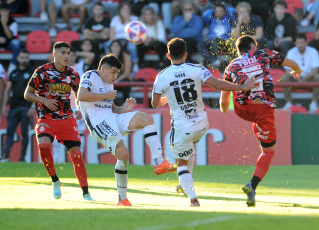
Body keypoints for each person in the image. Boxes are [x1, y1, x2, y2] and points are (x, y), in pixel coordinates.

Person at [151, 37, 257, 207]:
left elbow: (155, 104)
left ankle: (192, 197)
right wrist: (243, 87)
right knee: (189, 150)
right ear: (186, 54)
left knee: (181, 162)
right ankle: (185, 184)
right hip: (201, 123)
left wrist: (168, 98)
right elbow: (218, 84)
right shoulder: (197, 69)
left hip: (182, 126)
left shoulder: (162, 76)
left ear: (168, 56)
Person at [77, 54, 177, 206]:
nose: (116, 76)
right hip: (98, 124)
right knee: (124, 154)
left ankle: (159, 162)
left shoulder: (108, 84)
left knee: (146, 118)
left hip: (112, 119)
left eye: (117, 73)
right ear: (103, 69)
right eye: (114, 72)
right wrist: (106, 95)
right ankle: (122, 198)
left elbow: (111, 109)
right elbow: (81, 95)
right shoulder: (90, 75)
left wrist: (124, 108)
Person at [220, 35, 302, 207]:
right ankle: (252, 185)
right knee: (268, 151)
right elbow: (293, 64)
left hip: (242, 109)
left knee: (238, 88)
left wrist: (224, 108)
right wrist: (296, 70)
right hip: (263, 110)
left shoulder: (231, 65)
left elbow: (223, 99)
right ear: (253, 46)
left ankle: (253, 116)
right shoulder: (263, 54)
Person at [23, 42, 94, 201]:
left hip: (66, 119)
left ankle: (86, 192)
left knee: (76, 156)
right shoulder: (42, 71)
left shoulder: (73, 74)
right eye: (63, 53)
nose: (67, 56)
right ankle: (55, 180)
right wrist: (44, 100)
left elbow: (79, 95)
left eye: (68, 53)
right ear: (55, 54)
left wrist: (80, 109)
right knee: (43, 145)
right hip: (46, 118)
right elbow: (27, 94)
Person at [0, 49, 35, 162]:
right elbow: (7, 90)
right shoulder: (13, 72)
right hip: (14, 108)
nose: (24, 59)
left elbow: (37, 91)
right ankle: (5, 157)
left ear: (28, 59)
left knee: (25, 133)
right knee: (10, 132)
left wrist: (33, 107)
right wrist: (4, 106)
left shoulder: (32, 73)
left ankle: (23, 158)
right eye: (22, 57)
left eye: (26, 57)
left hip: (26, 107)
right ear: (18, 58)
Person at [281, 33, 319, 113]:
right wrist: (296, 76)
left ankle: (313, 103)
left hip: (309, 78)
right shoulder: (291, 52)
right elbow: (287, 70)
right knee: (284, 78)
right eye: (298, 43)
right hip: (295, 78)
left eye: (302, 43)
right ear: (295, 43)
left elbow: (316, 69)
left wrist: (306, 77)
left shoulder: (313, 51)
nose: (300, 45)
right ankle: (289, 102)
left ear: (306, 42)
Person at [202, 1, 236, 67]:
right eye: (217, 11)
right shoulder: (210, 18)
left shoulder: (228, 18)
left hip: (225, 41)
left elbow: (233, 10)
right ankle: (213, 60)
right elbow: (205, 14)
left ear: (224, 11)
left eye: (221, 11)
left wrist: (225, 7)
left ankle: (234, 63)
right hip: (212, 41)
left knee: (234, 44)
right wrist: (212, 11)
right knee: (201, 45)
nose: (219, 13)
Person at [109, 1, 139, 73]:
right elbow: (112, 33)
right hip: (117, 39)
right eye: (123, 8)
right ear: (120, 10)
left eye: (127, 8)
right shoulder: (115, 19)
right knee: (108, 45)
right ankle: (109, 63)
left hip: (129, 39)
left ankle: (135, 64)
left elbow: (135, 33)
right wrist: (116, 43)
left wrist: (128, 20)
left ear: (130, 10)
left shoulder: (135, 18)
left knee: (132, 47)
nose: (125, 10)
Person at [109, 39, 132, 105]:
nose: (115, 48)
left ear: (120, 47)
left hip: (122, 77)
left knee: (125, 83)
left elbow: (126, 73)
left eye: (117, 46)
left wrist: (117, 80)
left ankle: (126, 103)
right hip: (111, 78)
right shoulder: (107, 57)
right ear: (111, 48)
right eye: (114, 46)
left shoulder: (126, 56)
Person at [0, 2, 21, 74]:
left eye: (6, 11)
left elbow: (10, 36)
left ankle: (13, 65)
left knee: (16, 43)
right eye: (2, 11)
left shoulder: (12, 22)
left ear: (9, 11)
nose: (4, 13)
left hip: (8, 44)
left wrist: (4, 24)